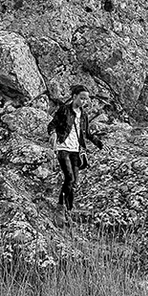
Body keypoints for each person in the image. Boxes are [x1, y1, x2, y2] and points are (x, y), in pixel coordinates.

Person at [47, 84, 103, 222]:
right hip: (63, 148)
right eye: (82, 98)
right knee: (70, 178)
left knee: (73, 182)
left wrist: (100, 144)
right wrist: (53, 133)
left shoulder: (83, 114)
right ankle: (61, 211)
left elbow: (87, 133)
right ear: (74, 97)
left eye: (86, 99)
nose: (84, 101)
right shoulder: (64, 110)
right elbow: (52, 125)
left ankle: (66, 210)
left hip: (76, 151)